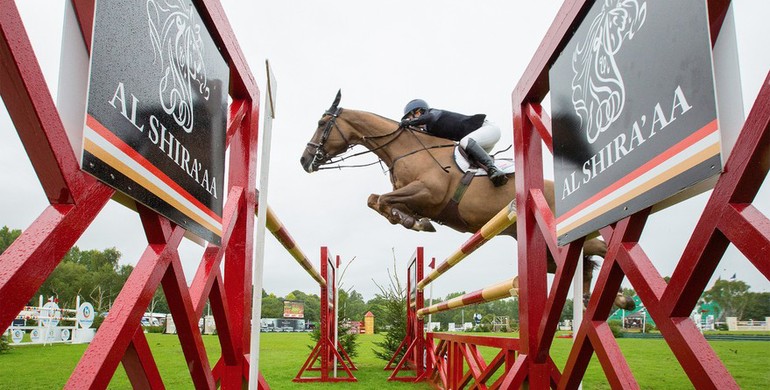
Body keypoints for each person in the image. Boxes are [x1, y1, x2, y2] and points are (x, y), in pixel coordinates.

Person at [399, 99, 508, 187]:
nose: (409, 120)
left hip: (488, 129)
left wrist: (408, 123)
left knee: (464, 142)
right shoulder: (429, 129)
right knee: (468, 165)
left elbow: (428, 118)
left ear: (418, 112)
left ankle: (493, 169)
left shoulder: (433, 113)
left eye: (409, 117)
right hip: (478, 140)